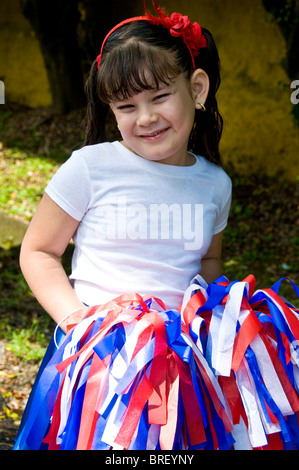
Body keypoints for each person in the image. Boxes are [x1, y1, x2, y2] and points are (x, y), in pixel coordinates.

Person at [13, 2, 299, 451]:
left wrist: (213, 320)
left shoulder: (215, 184)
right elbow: (38, 252)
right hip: (99, 360)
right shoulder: (90, 168)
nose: (144, 118)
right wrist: (79, 323)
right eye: (126, 106)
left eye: (160, 97)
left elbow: (206, 260)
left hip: (178, 364)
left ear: (197, 89)